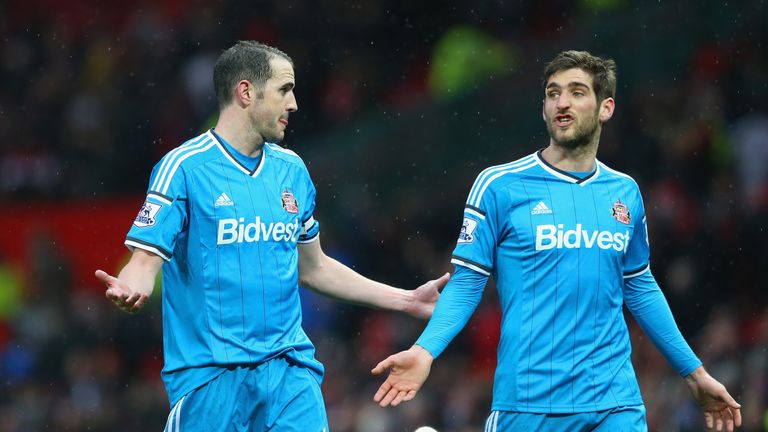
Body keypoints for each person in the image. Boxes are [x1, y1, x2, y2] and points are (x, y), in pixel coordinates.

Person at [372, 50, 742, 432]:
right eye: (553, 93)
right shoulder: (499, 186)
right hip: (528, 405)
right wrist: (424, 351)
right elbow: (467, 283)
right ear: (544, 108)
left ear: (606, 108)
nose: (562, 103)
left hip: (615, 404)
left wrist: (694, 373)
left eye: (577, 92)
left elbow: (640, 287)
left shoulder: (625, 192)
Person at [94, 40, 449, 432]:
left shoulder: (292, 170)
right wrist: (131, 286)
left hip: (288, 373)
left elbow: (314, 268)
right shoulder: (184, 167)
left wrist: (406, 299)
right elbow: (144, 261)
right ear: (245, 92)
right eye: (284, 89)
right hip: (210, 378)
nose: (294, 103)